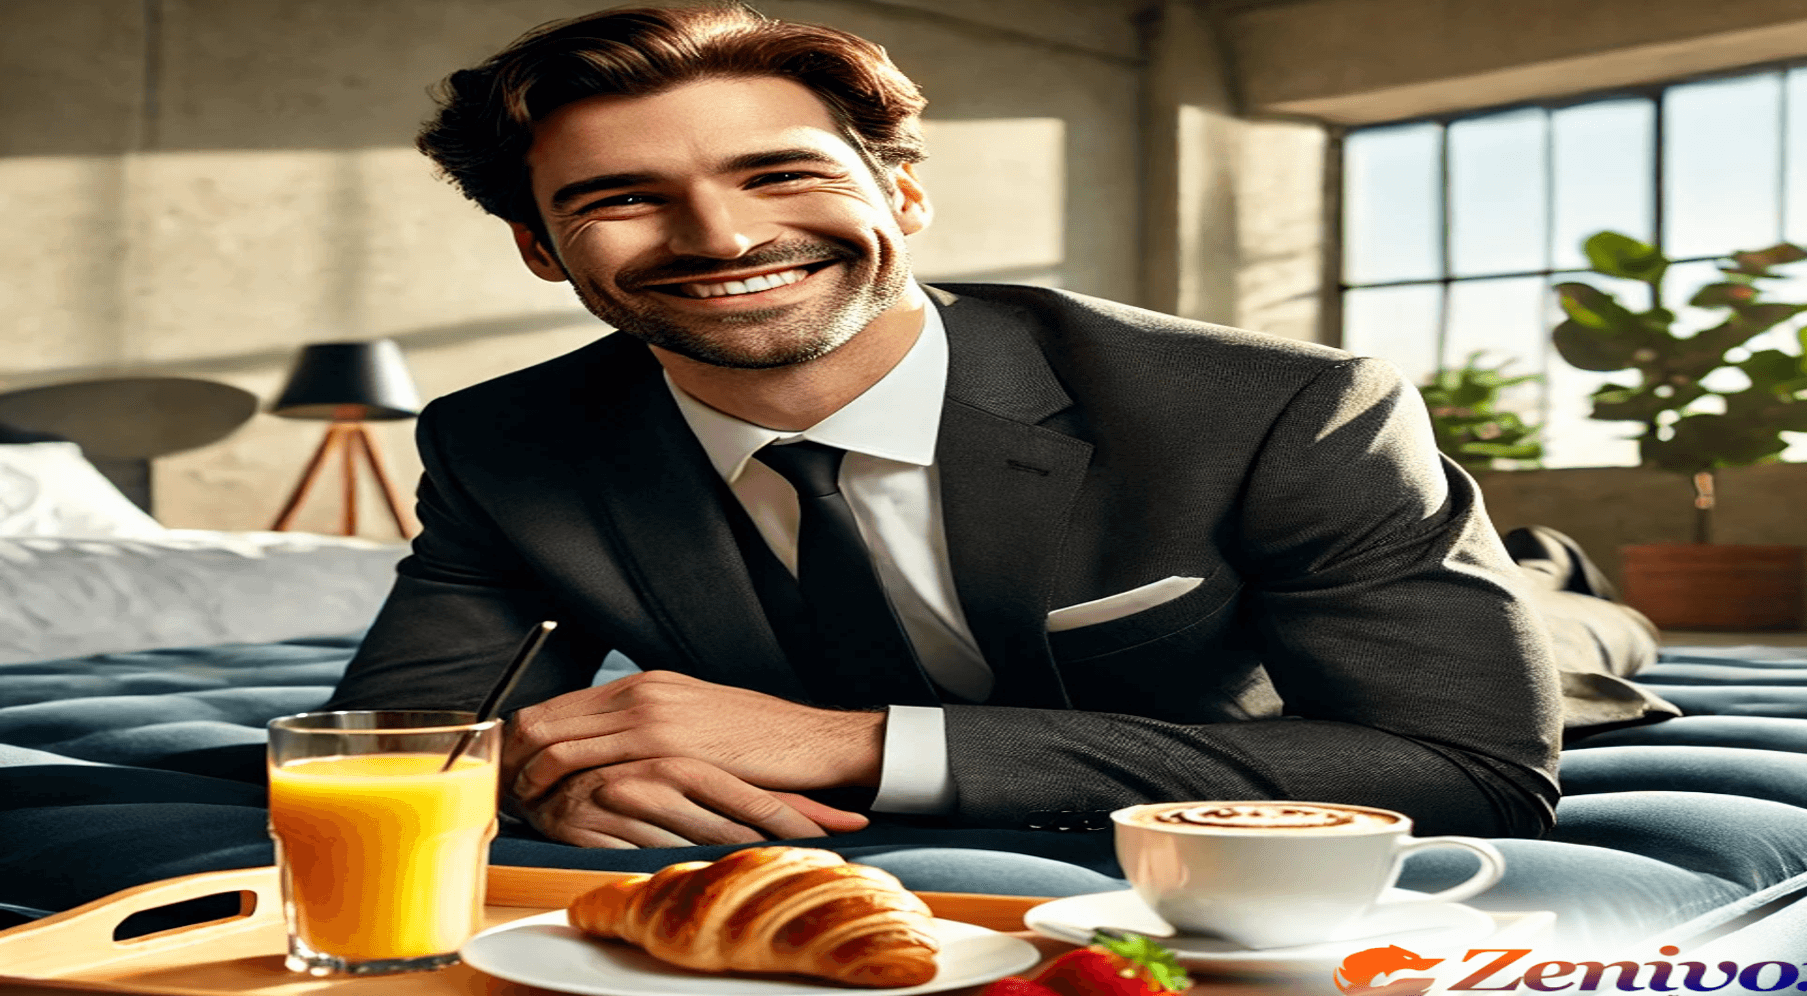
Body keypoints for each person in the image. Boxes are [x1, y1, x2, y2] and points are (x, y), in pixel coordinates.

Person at [325, 4, 1664, 852]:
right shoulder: (506, 443)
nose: (723, 237)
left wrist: (856, 745)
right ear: (541, 250)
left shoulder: (1278, 409)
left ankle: (1551, 578)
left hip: (1275, 664)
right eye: (623, 198)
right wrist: (543, 782)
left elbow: (1467, 767)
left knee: (1564, 636)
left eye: (778, 172)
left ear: (903, 199)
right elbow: (406, 736)